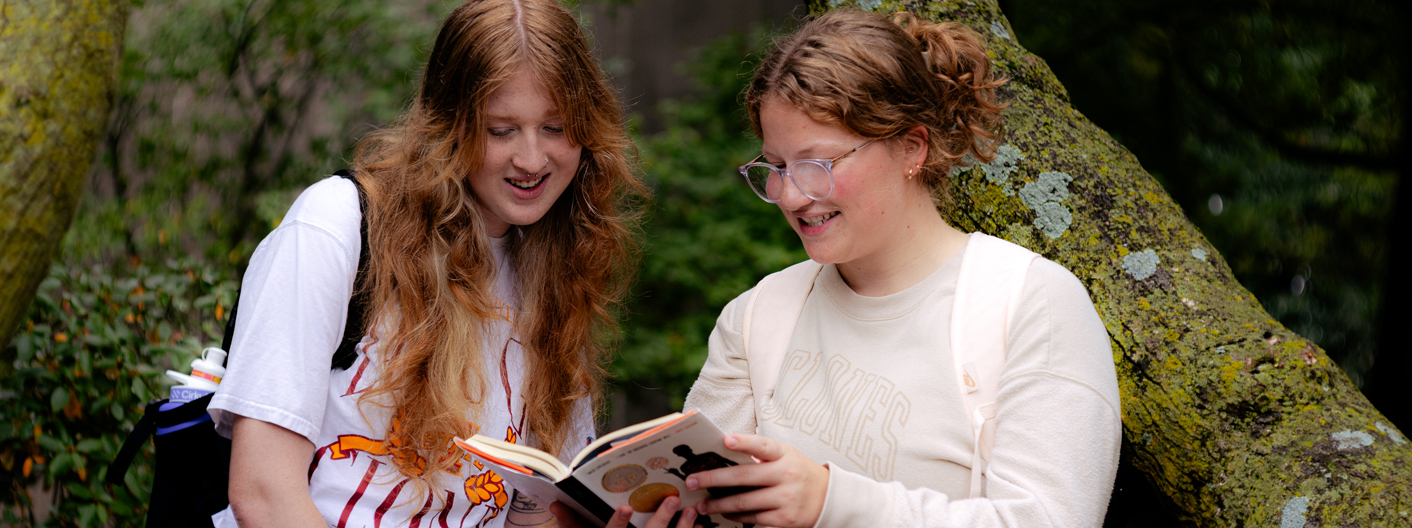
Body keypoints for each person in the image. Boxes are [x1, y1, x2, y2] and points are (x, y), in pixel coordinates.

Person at [205, 1, 685, 526]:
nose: (531, 159)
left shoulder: (559, 262)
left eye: (555, 127)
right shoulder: (337, 224)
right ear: (449, 125)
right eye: (501, 130)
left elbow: (534, 510)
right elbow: (263, 492)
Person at [679, 9, 1121, 528]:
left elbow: (1050, 519)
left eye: (818, 165)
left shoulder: (1031, 303)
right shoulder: (755, 318)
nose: (792, 196)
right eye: (776, 168)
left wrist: (832, 501)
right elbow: (703, 501)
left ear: (912, 146)